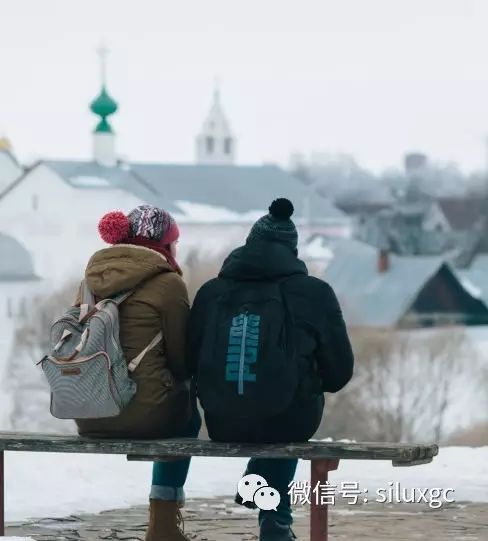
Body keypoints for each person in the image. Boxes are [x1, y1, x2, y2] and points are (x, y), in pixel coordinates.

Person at [186, 198, 354, 541]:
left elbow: (187, 363)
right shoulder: (314, 293)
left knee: (275, 402)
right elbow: (339, 374)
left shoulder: (211, 292)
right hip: (290, 421)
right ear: (292, 249)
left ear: (250, 242)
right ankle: (274, 518)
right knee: (286, 405)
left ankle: (268, 501)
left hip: (222, 418)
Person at [76, 205, 198, 541]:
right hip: (148, 416)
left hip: (90, 411)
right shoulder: (168, 284)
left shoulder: (91, 280)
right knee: (189, 414)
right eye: (175, 243)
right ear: (165, 245)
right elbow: (181, 360)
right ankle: (163, 520)